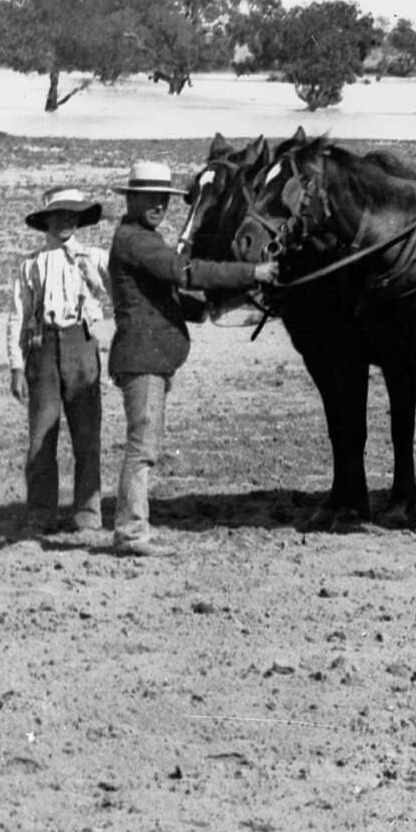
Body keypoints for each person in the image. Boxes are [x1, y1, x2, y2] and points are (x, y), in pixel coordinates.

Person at [107, 159, 276, 556]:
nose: (159, 206)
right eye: (149, 198)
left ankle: (131, 530)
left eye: (164, 200)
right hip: (145, 358)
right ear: (131, 200)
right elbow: (186, 271)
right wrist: (253, 274)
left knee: (143, 446)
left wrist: (202, 306)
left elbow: (165, 293)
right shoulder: (138, 241)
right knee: (142, 448)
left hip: (149, 355)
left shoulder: (137, 238)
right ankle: (131, 534)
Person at [7, 187, 110, 538]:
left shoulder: (95, 257)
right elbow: (17, 316)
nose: (66, 221)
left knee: (87, 438)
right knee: (40, 440)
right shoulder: (31, 265)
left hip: (82, 346)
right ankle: (40, 516)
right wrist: (16, 366)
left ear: (80, 219)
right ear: (47, 219)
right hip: (42, 350)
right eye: (59, 214)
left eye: (73, 214)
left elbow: (118, 288)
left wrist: (93, 274)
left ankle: (87, 514)